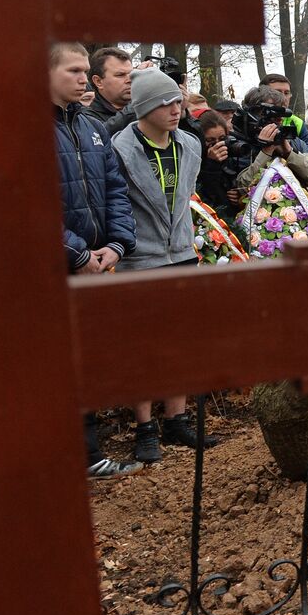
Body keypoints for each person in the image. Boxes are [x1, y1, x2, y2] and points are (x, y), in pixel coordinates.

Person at [111, 68, 216, 462]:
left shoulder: (189, 144)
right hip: (141, 259)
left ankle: (177, 420)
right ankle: (144, 427)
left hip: (182, 254)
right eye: (166, 103)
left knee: (183, 342)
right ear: (145, 107)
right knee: (141, 348)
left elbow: (187, 198)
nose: (177, 109)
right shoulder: (120, 149)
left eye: (177, 101)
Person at [51, 43, 141, 479]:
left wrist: (117, 245)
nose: (85, 78)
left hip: (97, 264)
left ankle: (88, 455)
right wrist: (77, 253)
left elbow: (115, 189)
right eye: (74, 70)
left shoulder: (91, 127)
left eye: (87, 70)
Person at [233, 86, 308, 192]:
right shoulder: (237, 145)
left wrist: (289, 153)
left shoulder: (293, 143)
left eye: (281, 114)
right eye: (271, 113)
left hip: (294, 207)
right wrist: (265, 153)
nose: (279, 119)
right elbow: (240, 188)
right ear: (253, 114)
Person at [197, 110, 245, 222]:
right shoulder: (195, 162)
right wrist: (212, 164)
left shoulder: (231, 157)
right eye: (210, 140)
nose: (218, 144)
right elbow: (208, 195)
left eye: (222, 139)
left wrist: (239, 195)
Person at [86, 46, 138, 135]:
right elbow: (102, 134)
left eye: (132, 74)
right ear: (98, 81)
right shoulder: (86, 118)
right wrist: (138, 104)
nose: (129, 80)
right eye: (120, 75)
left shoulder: (145, 111)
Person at [258, 73, 308, 150]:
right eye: (277, 93)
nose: (283, 98)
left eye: (286, 93)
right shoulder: (251, 120)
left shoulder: (297, 123)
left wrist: (290, 148)